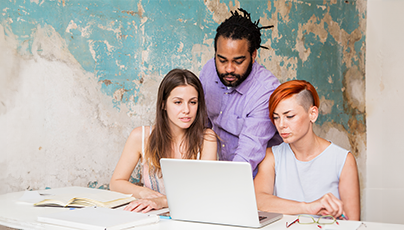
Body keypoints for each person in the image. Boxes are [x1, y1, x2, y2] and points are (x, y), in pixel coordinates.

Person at [110, 69, 218, 213]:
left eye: (193, 102)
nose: (186, 110)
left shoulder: (207, 139)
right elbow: (116, 183)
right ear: (163, 104)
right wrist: (143, 193)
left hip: (193, 217)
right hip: (151, 218)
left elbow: (206, 191)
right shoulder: (140, 136)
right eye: (178, 102)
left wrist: (163, 201)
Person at [253, 80, 360, 220]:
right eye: (276, 117)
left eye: (289, 116)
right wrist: (308, 207)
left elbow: (353, 222)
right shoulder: (271, 157)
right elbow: (257, 201)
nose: (281, 124)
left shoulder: (343, 160)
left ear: (313, 114)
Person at [200, 8, 280, 176]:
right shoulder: (209, 71)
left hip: (254, 180)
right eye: (222, 60)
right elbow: (200, 127)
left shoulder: (266, 92)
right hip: (221, 172)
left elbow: (245, 160)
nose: (228, 69)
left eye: (238, 61)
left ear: (253, 55)